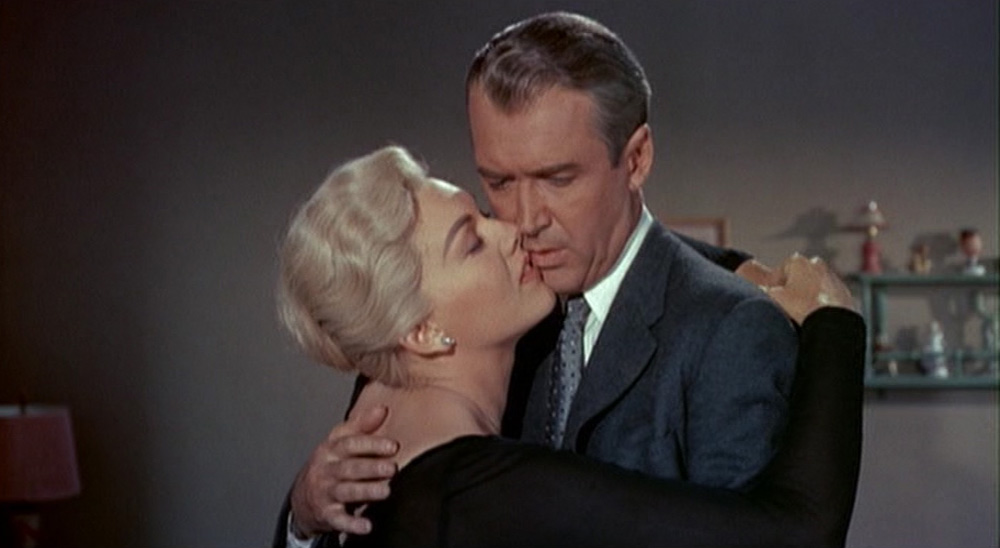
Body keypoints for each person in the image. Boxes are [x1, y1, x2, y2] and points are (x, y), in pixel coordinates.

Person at [280, 12, 838, 543]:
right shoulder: (455, 321)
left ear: (636, 159)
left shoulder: (730, 329)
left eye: (557, 179)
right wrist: (303, 516)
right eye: (498, 182)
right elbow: (357, 511)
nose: (523, 221)